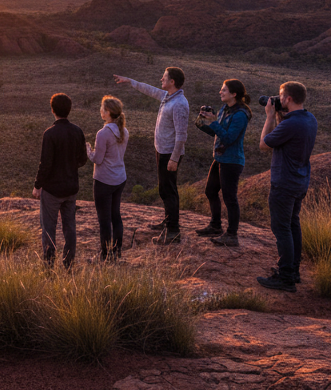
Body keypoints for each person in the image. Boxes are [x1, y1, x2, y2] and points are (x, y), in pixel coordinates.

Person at [114, 67, 189, 244]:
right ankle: (169, 220)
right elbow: (150, 90)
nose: (160, 79)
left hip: (170, 153)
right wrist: (130, 81)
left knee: (168, 190)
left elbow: (182, 135)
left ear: (172, 82)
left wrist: (174, 158)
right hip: (162, 150)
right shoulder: (167, 96)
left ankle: (173, 231)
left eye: (164, 77)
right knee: (164, 188)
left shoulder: (179, 103)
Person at [256, 81, 317, 292]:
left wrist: (270, 116)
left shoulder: (290, 124)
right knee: (292, 226)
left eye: (281, 97)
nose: (278, 99)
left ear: (288, 99)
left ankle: (285, 277)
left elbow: (264, 145)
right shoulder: (310, 119)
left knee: (281, 228)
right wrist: (281, 113)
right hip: (300, 180)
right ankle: (294, 271)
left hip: (284, 182)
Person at [33, 92, 88, 268]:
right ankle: (68, 264)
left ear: (52, 110)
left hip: (52, 190)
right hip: (71, 187)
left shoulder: (50, 134)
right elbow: (82, 159)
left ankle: (49, 265)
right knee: (69, 227)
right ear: (69, 110)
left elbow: (45, 164)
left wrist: (37, 185)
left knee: (48, 228)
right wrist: (70, 166)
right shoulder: (77, 131)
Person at [194, 79, 251, 247]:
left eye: (224, 90)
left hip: (232, 161)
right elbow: (217, 134)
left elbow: (228, 138)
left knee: (230, 198)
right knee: (210, 191)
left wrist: (213, 122)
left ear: (234, 94)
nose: (220, 92)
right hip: (220, 158)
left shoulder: (240, 115)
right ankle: (215, 226)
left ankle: (232, 235)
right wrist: (202, 123)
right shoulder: (224, 110)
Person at [85, 95, 129, 261]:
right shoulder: (124, 130)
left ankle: (104, 255)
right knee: (115, 216)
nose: (100, 111)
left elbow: (98, 159)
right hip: (120, 178)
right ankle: (116, 252)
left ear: (108, 112)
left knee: (104, 219)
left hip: (104, 180)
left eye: (102, 108)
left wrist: (88, 150)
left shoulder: (103, 133)